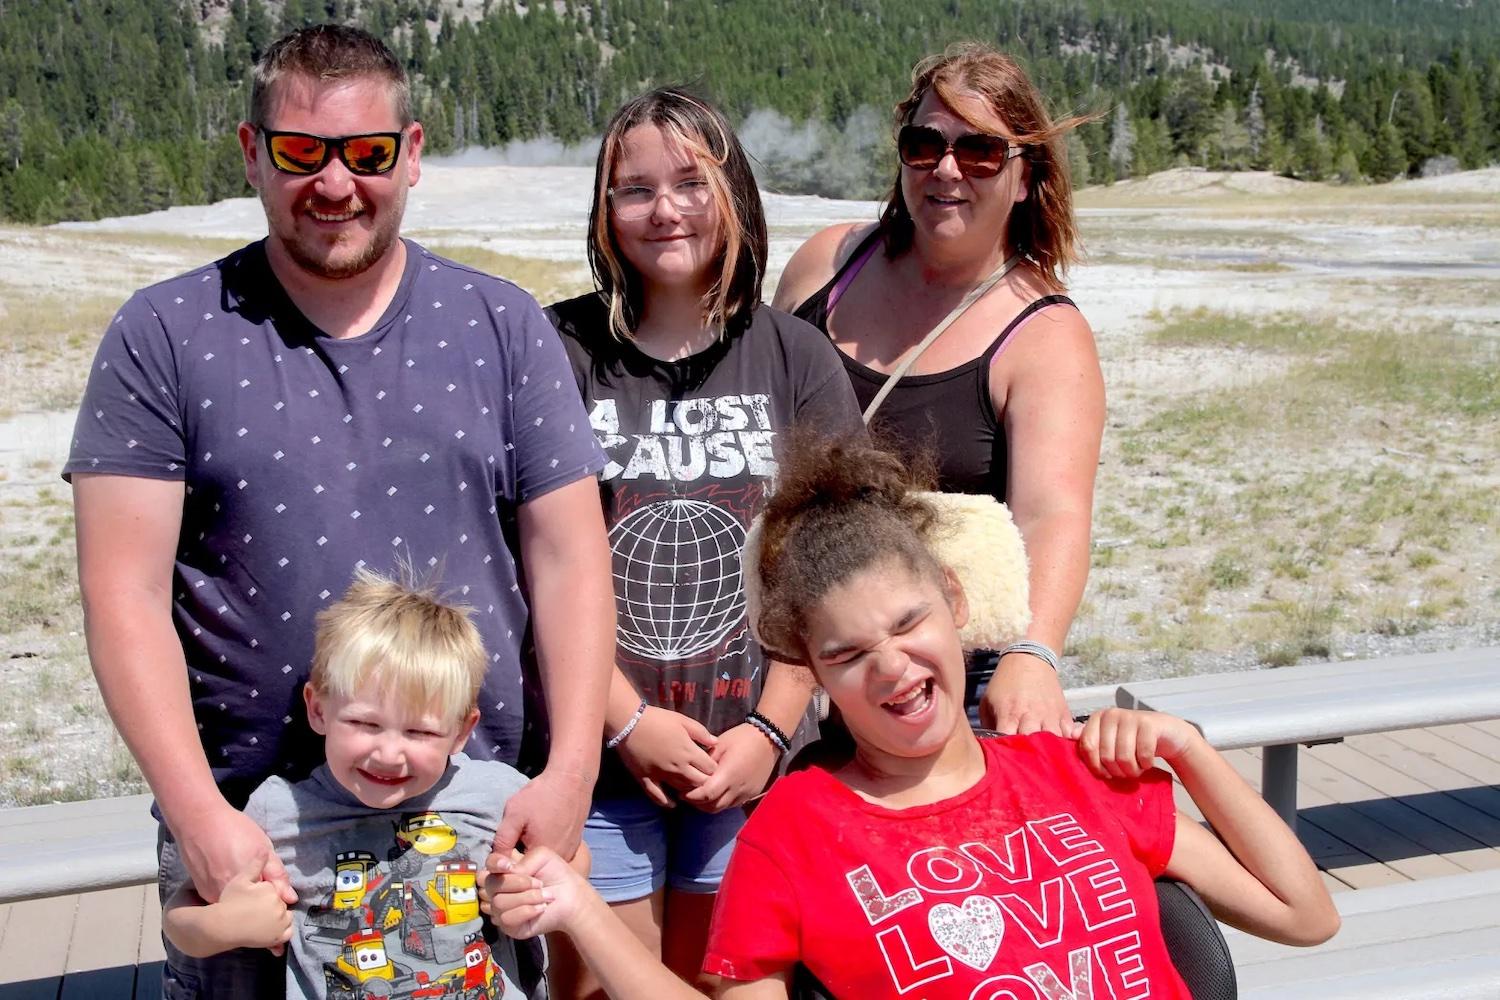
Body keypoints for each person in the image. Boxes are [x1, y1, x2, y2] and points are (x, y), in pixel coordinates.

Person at [64, 23, 613, 997]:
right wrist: (199, 817)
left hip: (470, 834)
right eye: (300, 153)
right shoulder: (165, 334)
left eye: (364, 155)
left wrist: (569, 771)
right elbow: (124, 593)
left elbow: (569, 560)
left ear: (409, 155)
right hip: (255, 847)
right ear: (251, 153)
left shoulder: (502, 325)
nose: (333, 184)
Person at [485, 437, 1340, 1000]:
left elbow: (1307, 915)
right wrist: (580, 910)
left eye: (907, 625)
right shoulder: (795, 833)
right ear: (813, 671)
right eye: (850, 655)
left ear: (955, 603)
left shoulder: (1069, 768)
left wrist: (1188, 752)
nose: (892, 668)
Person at [543, 87, 863, 996]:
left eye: (691, 180)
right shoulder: (557, 350)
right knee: (601, 983)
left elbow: (829, 567)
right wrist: (627, 722)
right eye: (633, 189)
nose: (664, 209)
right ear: (605, 213)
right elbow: (533, 564)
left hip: (761, 758)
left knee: (729, 980)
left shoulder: (796, 357)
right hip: (599, 754)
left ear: (734, 192)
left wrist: (770, 725)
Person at [772, 43, 1105, 737]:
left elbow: (1053, 514)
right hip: (796, 653)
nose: (947, 169)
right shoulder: (826, 264)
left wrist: (1033, 655)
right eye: (925, 144)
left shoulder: (1044, 335)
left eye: (981, 151)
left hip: (943, 676)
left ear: (1023, 179)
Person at [163, 568, 574, 998]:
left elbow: (571, 859)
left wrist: (528, 890)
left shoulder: (496, 795)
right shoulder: (278, 811)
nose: (388, 754)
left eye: (420, 733)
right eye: (364, 723)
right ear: (318, 709)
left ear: (461, 730)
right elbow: (180, 916)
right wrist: (223, 924)